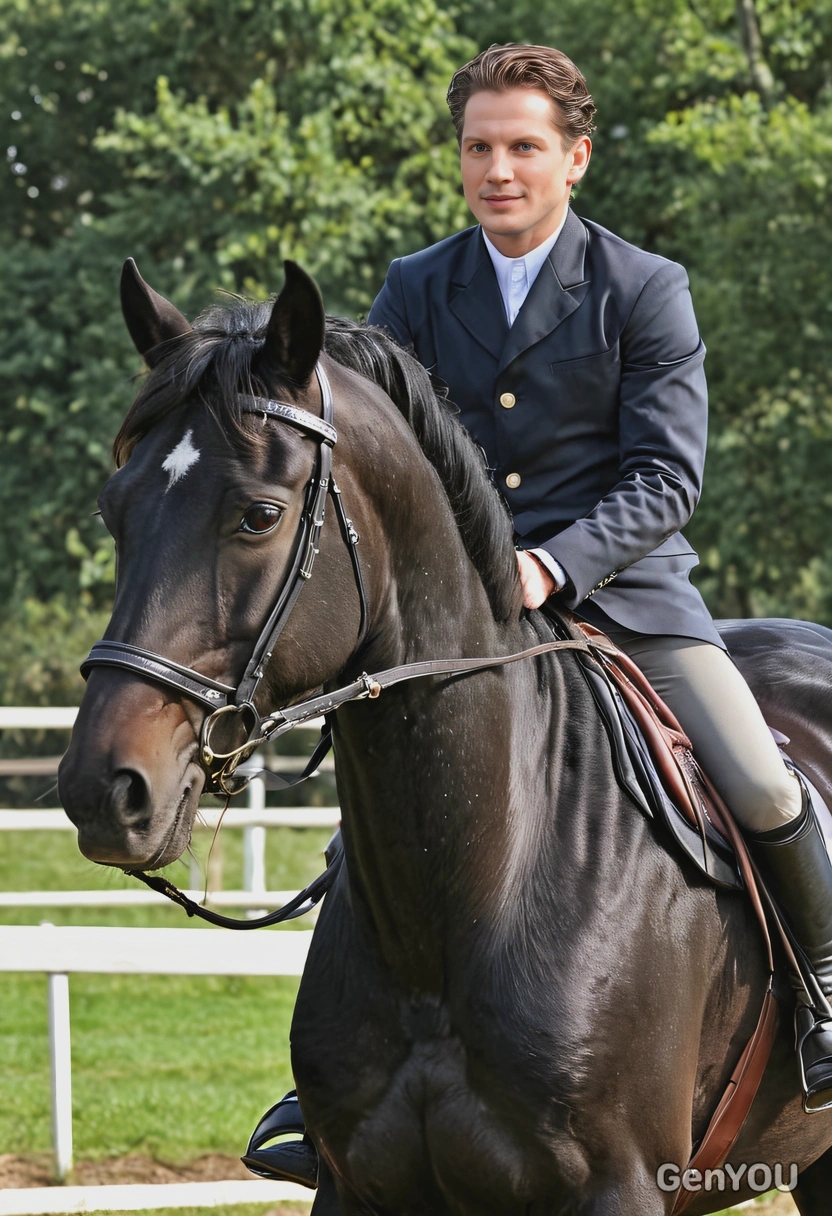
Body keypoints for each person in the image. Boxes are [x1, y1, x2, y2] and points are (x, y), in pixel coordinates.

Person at [246, 44, 832, 1184]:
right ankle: (340, 1088)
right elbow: (378, 445)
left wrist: (551, 567)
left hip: (625, 601)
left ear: (576, 157)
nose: (497, 170)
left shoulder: (642, 287)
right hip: (464, 621)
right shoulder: (418, 286)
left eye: (523, 146)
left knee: (763, 784)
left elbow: (666, 478)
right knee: (375, 824)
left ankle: (822, 1002)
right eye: (479, 147)